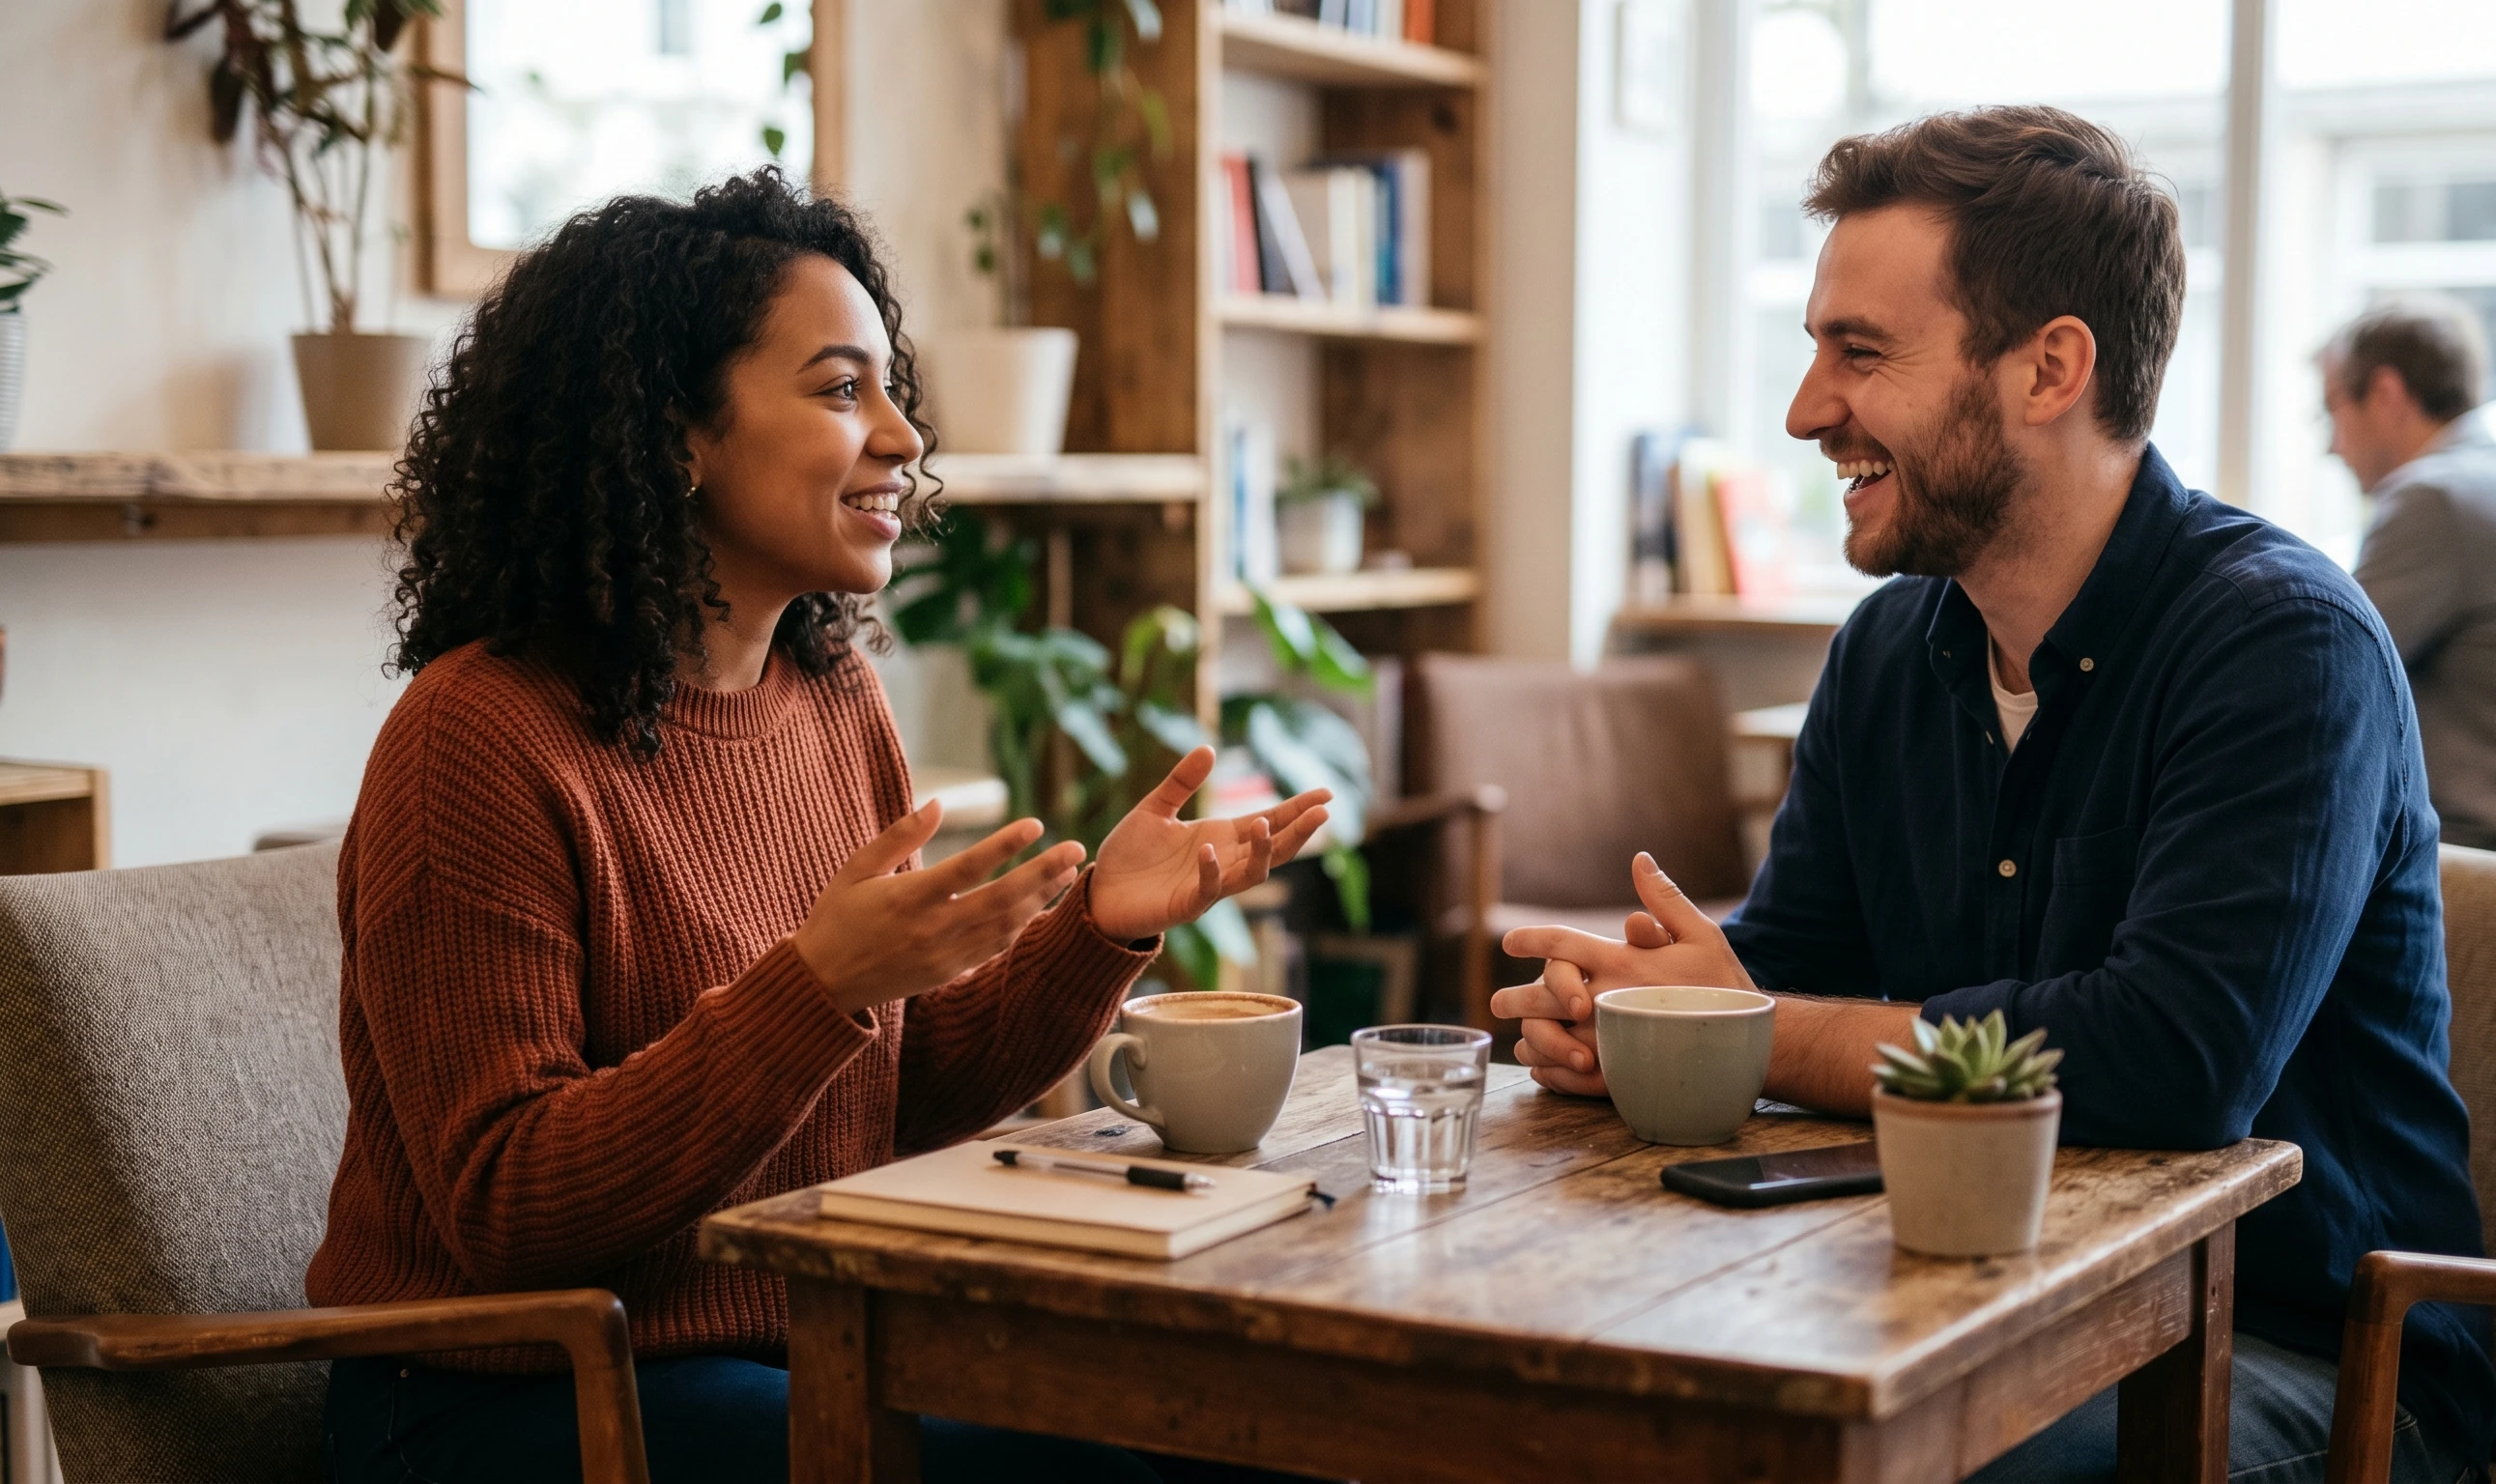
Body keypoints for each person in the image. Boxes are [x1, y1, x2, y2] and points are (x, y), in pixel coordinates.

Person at [1493, 108, 2494, 1481]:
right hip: (1960, 1299)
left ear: (2049, 369)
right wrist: (1649, 1024)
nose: (1803, 410)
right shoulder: (1885, 651)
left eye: (1859, 353)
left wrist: (1746, 1035)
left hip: (2302, 1353)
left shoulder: (2283, 644)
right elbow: (1786, 973)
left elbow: (2174, 1064)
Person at [308, 169, 1329, 1484]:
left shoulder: (829, 696)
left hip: (803, 1351)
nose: (902, 437)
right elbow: (510, 1206)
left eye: (890, 389)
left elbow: (895, 1096)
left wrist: (1094, 932)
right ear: (675, 434)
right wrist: (816, 986)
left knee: (1251, 1417)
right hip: (506, 1399)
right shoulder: (477, 738)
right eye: (843, 390)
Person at [2327, 297, 2496, 849]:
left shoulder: (2434, 500)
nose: (2331, 446)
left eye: (2332, 409)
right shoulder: (2480, 481)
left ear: (2386, 394)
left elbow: (2327, 671)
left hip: (2462, 847)